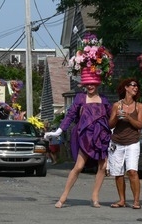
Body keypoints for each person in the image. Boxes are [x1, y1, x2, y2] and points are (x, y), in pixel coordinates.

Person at [44, 74, 112, 208]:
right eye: (88, 84)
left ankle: (95, 197)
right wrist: (59, 131)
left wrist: (115, 131)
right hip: (86, 137)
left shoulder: (104, 99)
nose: (90, 86)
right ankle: (63, 197)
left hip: (101, 136)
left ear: (97, 84)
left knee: (103, 167)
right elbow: (70, 115)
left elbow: (111, 117)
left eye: (93, 83)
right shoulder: (80, 98)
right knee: (79, 166)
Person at [108, 78, 142, 209]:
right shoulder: (116, 105)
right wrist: (117, 117)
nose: (135, 88)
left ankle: (136, 201)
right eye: (133, 85)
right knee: (118, 172)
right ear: (126, 88)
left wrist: (129, 117)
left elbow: (140, 125)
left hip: (132, 142)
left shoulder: (139, 106)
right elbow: (110, 124)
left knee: (132, 171)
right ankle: (121, 200)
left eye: (137, 86)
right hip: (117, 142)